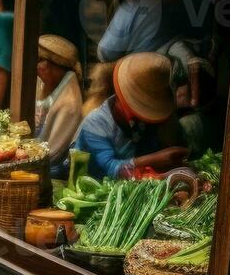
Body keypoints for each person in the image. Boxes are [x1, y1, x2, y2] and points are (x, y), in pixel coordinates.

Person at [72, 52, 187, 180]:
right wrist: (155, 159)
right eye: (144, 106)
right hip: (94, 187)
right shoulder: (96, 123)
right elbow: (111, 169)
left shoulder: (143, 122)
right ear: (126, 100)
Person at [34, 35, 85, 177]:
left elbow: (53, 153)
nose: (35, 66)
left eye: (40, 60)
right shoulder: (41, 83)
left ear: (56, 66)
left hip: (50, 170)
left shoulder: (69, 104)